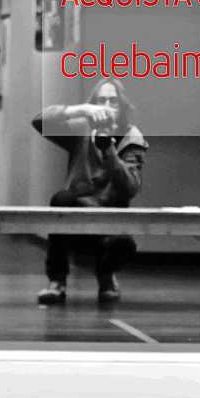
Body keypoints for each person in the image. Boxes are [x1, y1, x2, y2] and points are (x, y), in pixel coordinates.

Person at [32, 79, 148, 305]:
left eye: (113, 101)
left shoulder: (132, 136)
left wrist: (109, 151)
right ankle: (57, 281)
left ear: (122, 106)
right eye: (101, 101)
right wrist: (82, 109)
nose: (107, 106)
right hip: (78, 213)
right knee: (60, 199)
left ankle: (106, 277)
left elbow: (130, 188)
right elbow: (39, 121)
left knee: (124, 245)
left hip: (111, 218)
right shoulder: (82, 128)